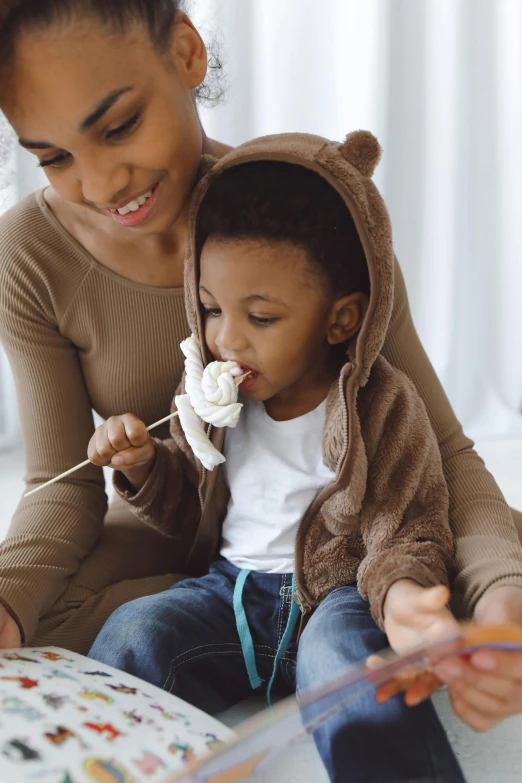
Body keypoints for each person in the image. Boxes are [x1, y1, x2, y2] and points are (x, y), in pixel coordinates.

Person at [0, 0, 520, 734]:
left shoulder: (312, 223)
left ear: (185, 52)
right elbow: (61, 489)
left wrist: (500, 592)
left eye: (117, 126)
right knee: (46, 636)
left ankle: (344, 625)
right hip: (181, 522)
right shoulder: (28, 254)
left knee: (460, 559)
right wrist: (9, 600)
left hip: (343, 530)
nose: (100, 183)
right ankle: (282, 632)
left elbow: (442, 448)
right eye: (51, 156)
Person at [89, 135, 466, 782]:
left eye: (260, 316)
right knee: (134, 629)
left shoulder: (380, 403)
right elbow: (188, 507)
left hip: (336, 594)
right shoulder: (209, 399)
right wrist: (143, 464)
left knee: (346, 665)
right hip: (231, 593)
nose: (225, 337)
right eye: (209, 308)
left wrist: (403, 593)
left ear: (340, 319)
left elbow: (407, 524)